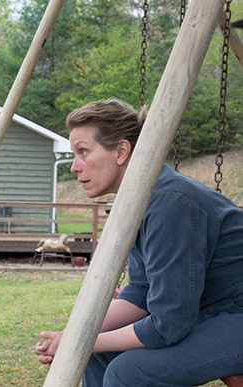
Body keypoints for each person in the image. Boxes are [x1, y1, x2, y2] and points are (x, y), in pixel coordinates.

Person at [34, 98, 243, 386]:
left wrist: (81, 343)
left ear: (121, 151)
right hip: (212, 313)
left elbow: (169, 323)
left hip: (236, 314)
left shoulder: (170, 203)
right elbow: (141, 291)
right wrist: (74, 337)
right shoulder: (139, 201)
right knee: (94, 356)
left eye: (83, 152)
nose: (74, 167)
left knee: (130, 371)